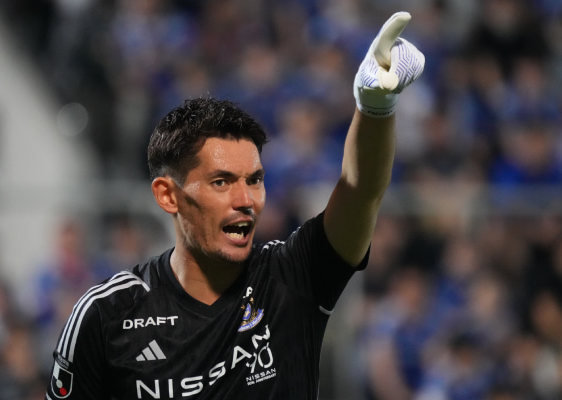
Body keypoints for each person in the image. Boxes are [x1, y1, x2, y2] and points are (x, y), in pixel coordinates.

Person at [45, 11, 424, 400]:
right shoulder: (106, 316)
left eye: (254, 180)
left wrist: (375, 107)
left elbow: (360, 191)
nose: (246, 201)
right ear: (168, 195)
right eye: (221, 182)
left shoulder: (293, 279)